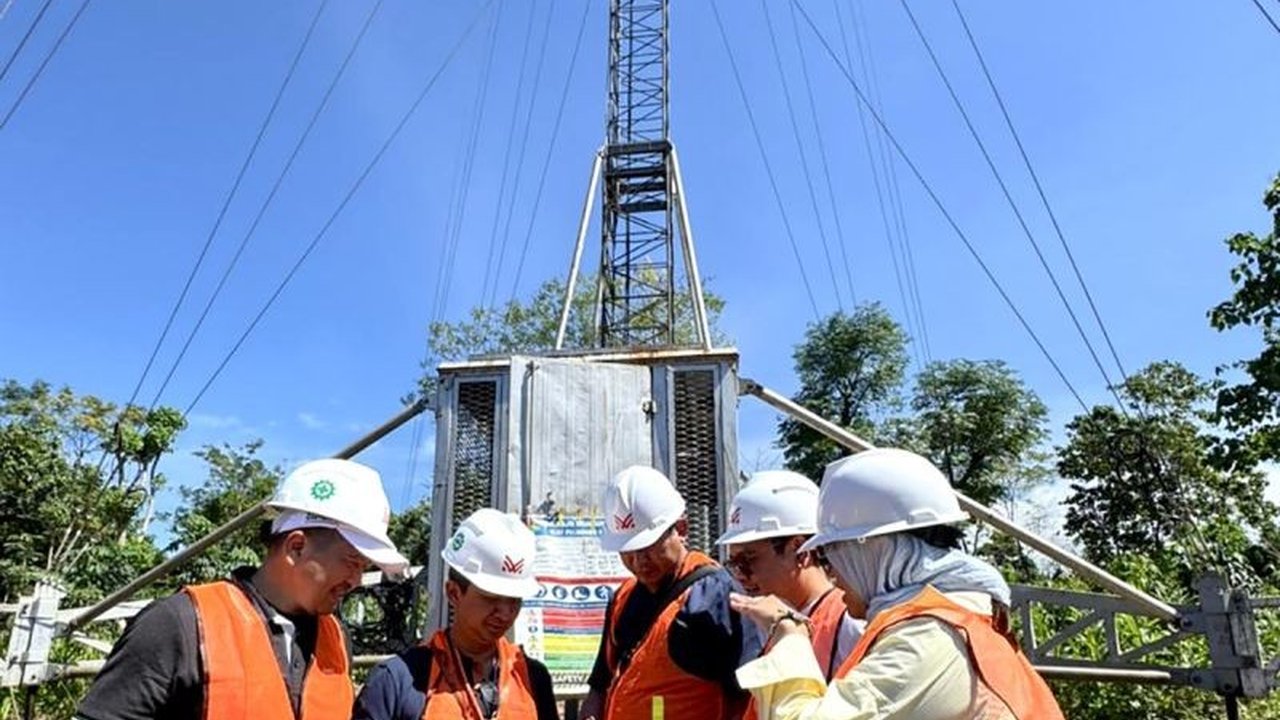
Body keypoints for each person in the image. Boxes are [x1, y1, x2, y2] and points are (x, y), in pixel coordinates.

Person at [731, 448, 1065, 720]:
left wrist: (789, 637)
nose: (829, 568)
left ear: (873, 549)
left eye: (831, 550)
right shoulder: (955, 618)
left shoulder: (927, 636)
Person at [76, 458, 410, 720]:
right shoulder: (179, 624)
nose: (355, 581)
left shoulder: (336, 639)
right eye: (352, 562)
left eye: (364, 568)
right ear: (296, 547)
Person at [581, 465, 763, 720]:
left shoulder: (716, 595)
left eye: (648, 546)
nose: (638, 561)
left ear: (682, 529)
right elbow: (600, 684)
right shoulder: (623, 599)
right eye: (627, 551)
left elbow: (750, 696)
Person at [353, 508, 559, 720]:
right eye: (491, 598)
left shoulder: (532, 679)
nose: (505, 613)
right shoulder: (397, 681)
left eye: (514, 600)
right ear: (453, 593)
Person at [716, 470, 862, 682]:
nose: (740, 576)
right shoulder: (770, 619)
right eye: (733, 563)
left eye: (749, 559)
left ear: (799, 549)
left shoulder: (851, 623)